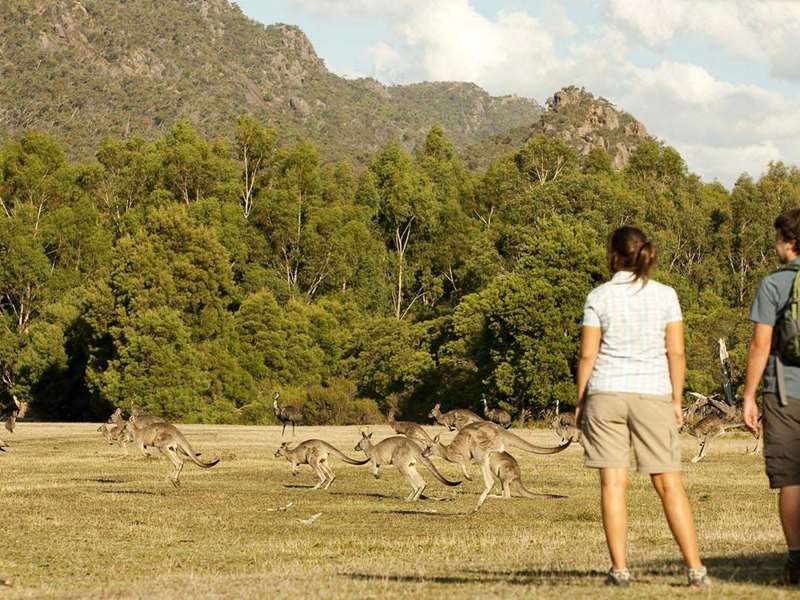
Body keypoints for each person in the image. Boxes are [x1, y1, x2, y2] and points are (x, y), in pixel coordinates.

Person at [575, 225, 708, 588]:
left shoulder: (598, 296)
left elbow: (589, 354)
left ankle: (619, 570)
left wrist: (581, 399)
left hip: (606, 392)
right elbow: (676, 352)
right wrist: (677, 399)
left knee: (613, 484)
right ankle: (695, 568)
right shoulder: (666, 295)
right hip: (653, 393)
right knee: (669, 484)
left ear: (614, 255)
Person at [743, 208, 800, 584]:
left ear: (790, 243)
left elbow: (761, 344)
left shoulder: (775, 284)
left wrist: (748, 396)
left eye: (778, 239)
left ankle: (796, 561)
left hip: (786, 392)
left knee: (792, 478)